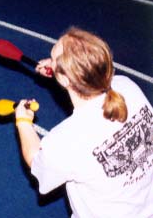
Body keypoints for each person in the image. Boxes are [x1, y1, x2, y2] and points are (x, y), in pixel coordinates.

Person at [15, 27, 153, 217]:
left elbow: (34, 160)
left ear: (65, 79)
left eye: (54, 59)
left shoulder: (68, 140)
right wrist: (58, 68)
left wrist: (23, 121)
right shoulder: (127, 86)